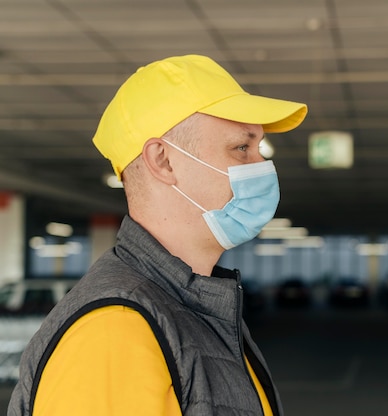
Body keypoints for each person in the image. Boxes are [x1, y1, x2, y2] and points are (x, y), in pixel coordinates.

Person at [8, 54, 307, 416]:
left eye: (259, 148)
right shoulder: (114, 331)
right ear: (163, 160)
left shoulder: (195, 306)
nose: (262, 167)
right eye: (242, 148)